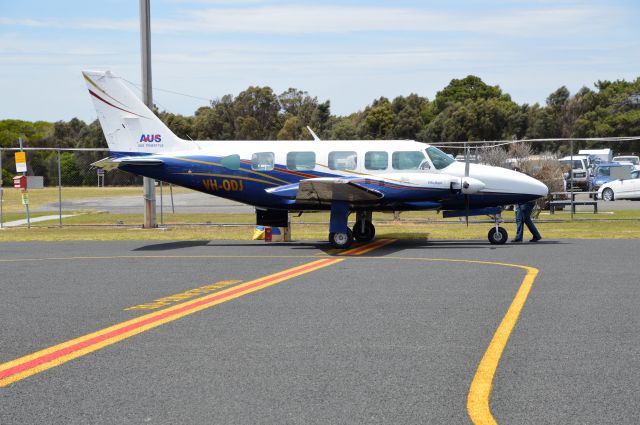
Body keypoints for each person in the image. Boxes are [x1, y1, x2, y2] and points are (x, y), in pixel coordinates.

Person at [511, 166, 542, 243]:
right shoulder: (526, 177)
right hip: (528, 201)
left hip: (524, 202)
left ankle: (519, 237)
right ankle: (536, 235)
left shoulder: (519, 179)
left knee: (519, 219)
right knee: (526, 219)